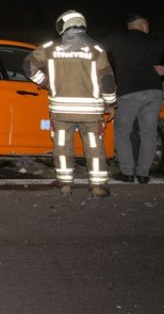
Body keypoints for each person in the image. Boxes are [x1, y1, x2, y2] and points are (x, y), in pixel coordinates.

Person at [24, 10, 117, 198]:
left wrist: (47, 83)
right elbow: (107, 80)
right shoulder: (96, 50)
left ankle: (65, 184)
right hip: (90, 111)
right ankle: (98, 186)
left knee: (61, 144)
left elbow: (28, 66)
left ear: (63, 25)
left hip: (61, 110)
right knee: (93, 145)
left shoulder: (50, 48)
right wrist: (110, 104)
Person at [102, 13, 164, 184]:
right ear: (144, 24)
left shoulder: (116, 38)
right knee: (148, 133)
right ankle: (143, 174)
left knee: (122, 132)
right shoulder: (156, 40)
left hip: (129, 92)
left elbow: (96, 52)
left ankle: (127, 172)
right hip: (154, 91)